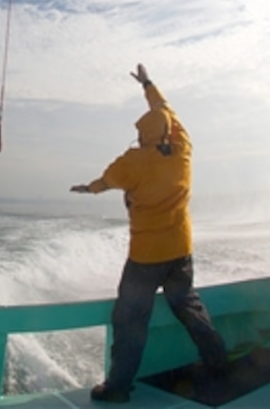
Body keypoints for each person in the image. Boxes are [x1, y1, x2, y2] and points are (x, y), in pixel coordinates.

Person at [71, 64, 227, 403]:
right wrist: (148, 84)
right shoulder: (182, 147)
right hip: (180, 251)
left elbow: (109, 179)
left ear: (144, 135)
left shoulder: (133, 161)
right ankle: (218, 361)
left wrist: (90, 188)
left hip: (146, 258)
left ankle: (117, 388)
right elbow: (163, 109)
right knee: (187, 305)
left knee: (130, 321)